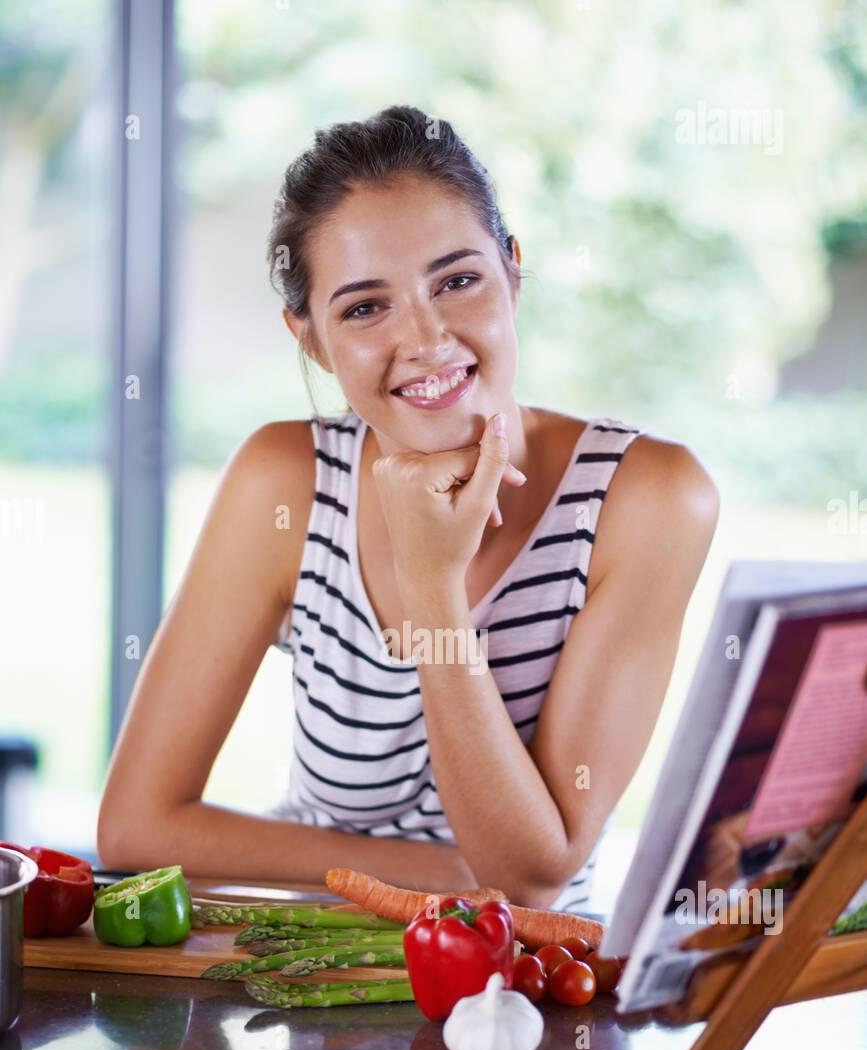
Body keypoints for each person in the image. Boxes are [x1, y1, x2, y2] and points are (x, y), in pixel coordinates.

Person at [97, 105, 719, 911]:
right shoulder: (283, 481)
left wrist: (433, 584)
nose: (425, 338)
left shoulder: (646, 496)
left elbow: (531, 876)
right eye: (363, 307)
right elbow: (138, 827)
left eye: (457, 280)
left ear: (512, 269)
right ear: (311, 338)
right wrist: (450, 878)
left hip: (532, 996)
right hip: (316, 974)